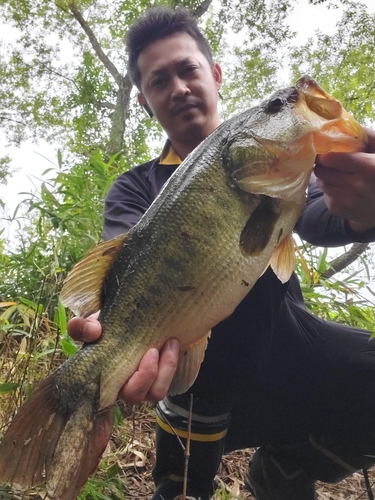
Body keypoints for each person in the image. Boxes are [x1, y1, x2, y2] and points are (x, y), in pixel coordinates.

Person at [68, 7, 375, 500]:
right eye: (158, 81)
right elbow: (120, 279)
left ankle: (285, 468)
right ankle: (177, 478)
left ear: (214, 75)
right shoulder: (133, 189)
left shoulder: (289, 173)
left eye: (188, 70)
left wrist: (366, 205)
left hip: (289, 360)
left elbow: (327, 216)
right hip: (192, 385)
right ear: (146, 101)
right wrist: (107, 331)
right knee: (182, 492)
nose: (179, 87)